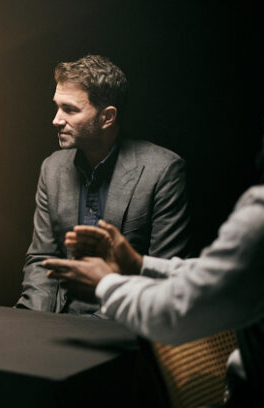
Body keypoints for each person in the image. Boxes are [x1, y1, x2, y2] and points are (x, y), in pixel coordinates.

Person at [43, 61, 264, 408]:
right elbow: (219, 272)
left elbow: (178, 311)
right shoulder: (52, 168)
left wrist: (106, 283)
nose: (55, 120)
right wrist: (140, 265)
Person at [16, 54, 191, 315]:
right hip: (56, 324)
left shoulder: (163, 170)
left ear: (107, 117)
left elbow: (162, 276)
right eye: (57, 106)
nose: (56, 119)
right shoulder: (52, 168)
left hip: (125, 323)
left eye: (70, 109)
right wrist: (30, 324)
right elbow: (42, 260)